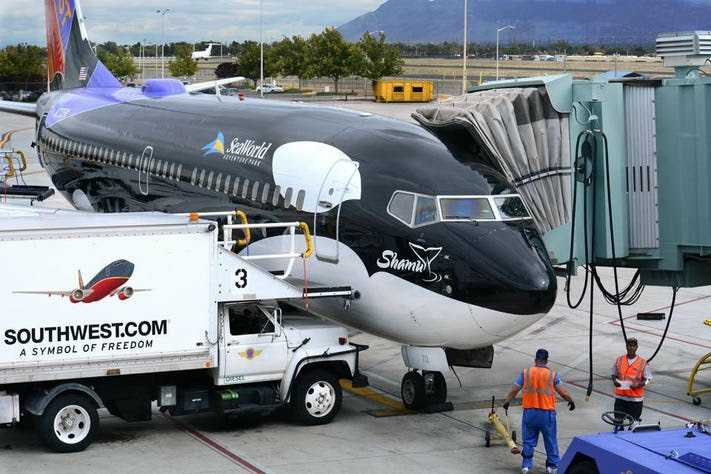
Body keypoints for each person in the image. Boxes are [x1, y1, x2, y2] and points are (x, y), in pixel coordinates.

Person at [503, 349, 575, 474]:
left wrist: (507, 401)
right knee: (550, 440)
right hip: (547, 414)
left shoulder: (526, 373)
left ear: (535, 360)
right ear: (547, 361)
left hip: (530, 412)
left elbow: (514, 390)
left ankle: (526, 466)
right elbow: (562, 392)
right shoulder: (552, 375)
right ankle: (552, 466)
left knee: (529, 440)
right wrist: (570, 400)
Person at [611, 338, 652, 422]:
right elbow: (613, 373)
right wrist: (614, 381)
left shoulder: (643, 362)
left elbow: (648, 379)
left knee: (633, 424)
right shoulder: (619, 359)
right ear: (626, 347)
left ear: (637, 347)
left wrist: (639, 385)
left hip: (635, 400)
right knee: (618, 423)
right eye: (629, 345)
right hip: (620, 398)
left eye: (633, 346)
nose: (631, 348)